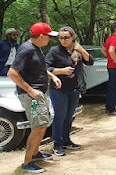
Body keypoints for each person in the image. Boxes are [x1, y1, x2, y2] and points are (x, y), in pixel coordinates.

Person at [7, 22, 60, 174]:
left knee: (42, 124)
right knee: (37, 128)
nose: (50, 39)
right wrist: (30, 90)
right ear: (41, 36)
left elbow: (40, 68)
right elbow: (12, 73)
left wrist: (52, 76)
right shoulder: (26, 50)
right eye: (49, 36)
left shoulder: (36, 49)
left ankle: (35, 153)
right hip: (32, 96)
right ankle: (27, 163)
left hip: (39, 93)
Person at [45, 26, 94, 156]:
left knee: (69, 116)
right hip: (59, 89)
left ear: (73, 37)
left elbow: (91, 62)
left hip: (74, 89)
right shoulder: (54, 51)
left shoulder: (76, 50)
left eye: (66, 37)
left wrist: (81, 50)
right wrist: (61, 71)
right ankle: (57, 144)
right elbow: (45, 68)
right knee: (59, 116)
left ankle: (66, 140)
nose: (63, 40)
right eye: (60, 38)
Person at [101, 21, 116, 115]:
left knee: (111, 87)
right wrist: (115, 61)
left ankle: (109, 105)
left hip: (112, 67)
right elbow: (110, 50)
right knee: (114, 87)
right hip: (115, 67)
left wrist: (110, 58)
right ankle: (111, 109)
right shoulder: (114, 39)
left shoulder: (110, 38)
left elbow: (103, 49)